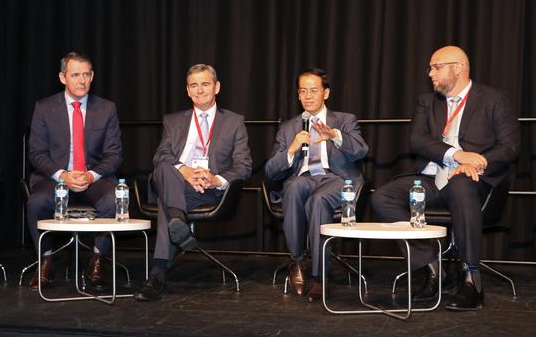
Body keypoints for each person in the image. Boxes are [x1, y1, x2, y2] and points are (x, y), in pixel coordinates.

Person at [371, 46, 520, 311]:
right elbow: (418, 140)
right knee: (383, 197)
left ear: (458, 68)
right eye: (430, 68)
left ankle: (471, 280)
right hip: (431, 180)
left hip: (473, 181)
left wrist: (478, 160)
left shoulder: (494, 99)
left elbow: (509, 146)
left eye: (435, 67)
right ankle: (433, 269)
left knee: (462, 184)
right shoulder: (427, 102)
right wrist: (458, 155)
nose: (430, 73)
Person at [133, 64, 252, 302]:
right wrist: (186, 171)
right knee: (164, 167)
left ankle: (157, 273)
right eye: (194, 86)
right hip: (175, 182)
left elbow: (244, 166)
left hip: (207, 191)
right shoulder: (173, 120)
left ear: (216, 87)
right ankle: (177, 221)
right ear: (187, 91)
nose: (199, 90)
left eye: (205, 84)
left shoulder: (234, 122)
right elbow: (160, 156)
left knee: (169, 203)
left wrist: (214, 179)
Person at [264, 68, 368, 301]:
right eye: (303, 91)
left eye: (314, 90)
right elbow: (270, 171)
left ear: (326, 93)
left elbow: (361, 150)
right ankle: (298, 261)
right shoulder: (289, 127)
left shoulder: (344, 120)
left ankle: (320, 276)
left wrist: (335, 136)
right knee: (293, 187)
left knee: (318, 200)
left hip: (337, 179)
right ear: (298, 96)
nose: (308, 96)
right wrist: (291, 149)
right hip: (304, 177)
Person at [26, 52, 122, 290]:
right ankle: (46, 261)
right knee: (36, 203)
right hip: (56, 178)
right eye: (75, 75)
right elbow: (37, 153)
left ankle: (97, 260)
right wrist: (63, 175)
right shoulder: (45, 108)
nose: (82, 81)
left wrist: (90, 175)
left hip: (94, 178)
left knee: (113, 200)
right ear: (62, 77)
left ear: (92, 76)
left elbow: (114, 155)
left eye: (86, 75)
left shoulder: (106, 109)